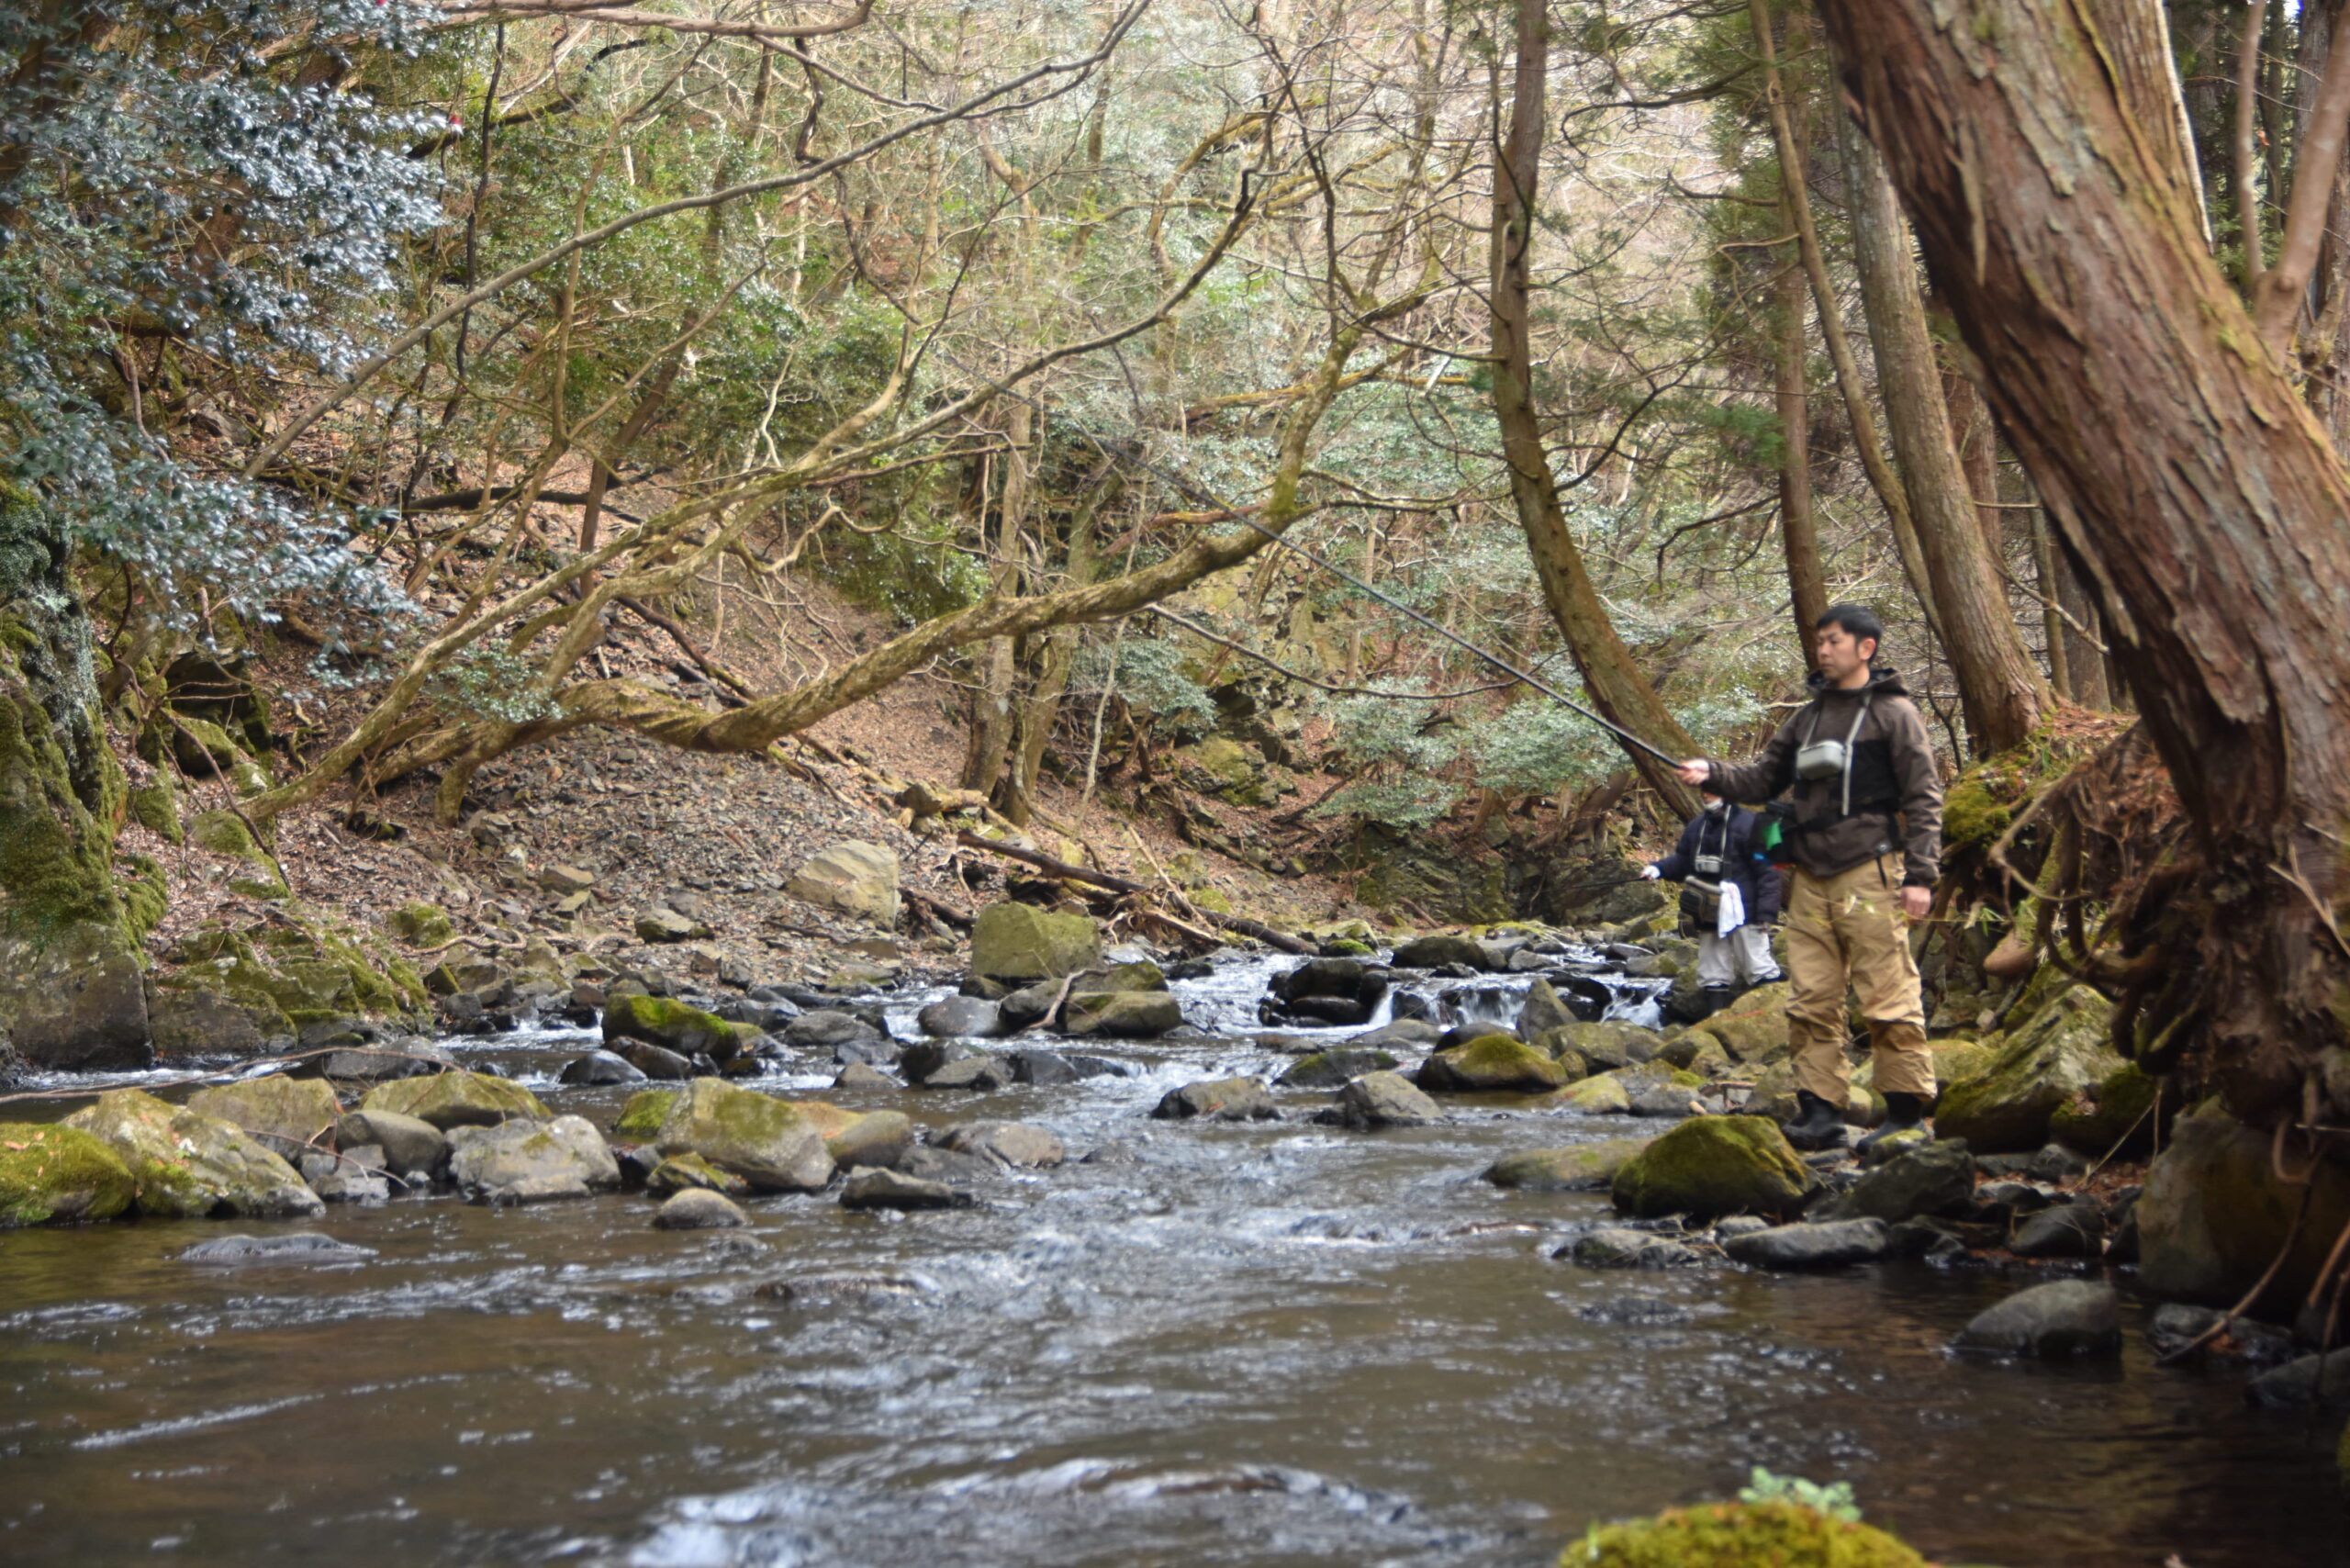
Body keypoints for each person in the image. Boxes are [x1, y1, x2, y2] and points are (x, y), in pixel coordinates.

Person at [1671, 605, 1942, 1151]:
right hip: (1811, 877)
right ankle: (1821, 1112)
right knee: (1811, 997)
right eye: (1820, 641)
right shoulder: (1806, 718)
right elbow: (1761, 779)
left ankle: (1905, 1113)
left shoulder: (1895, 714)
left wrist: (1921, 874)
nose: (1822, 650)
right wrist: (1712, 772)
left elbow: (1924, 796)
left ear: (1865, 648)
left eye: (1834, 641)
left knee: (1887, 993)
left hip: (1871, 871)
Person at [1640, 790, 1784, 991]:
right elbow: (1683, 861)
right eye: (1704, 791)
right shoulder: (1697, 826)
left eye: (1711, 791)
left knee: (1758, 966)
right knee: (1711, 973)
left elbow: (1769, 872)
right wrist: (1658, 869)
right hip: (1707, 911)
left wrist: (1766, 913)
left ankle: (1772, 1006)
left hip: (1746, 912)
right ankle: (1716, 1010)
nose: (1705, 795)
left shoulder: (1750, 824)